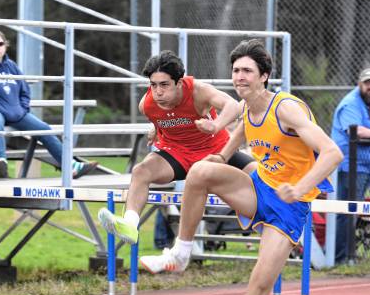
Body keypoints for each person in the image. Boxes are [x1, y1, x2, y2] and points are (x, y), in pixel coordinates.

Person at [139, 39, 343, 295]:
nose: (239, 77)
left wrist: (301, 187)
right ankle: (181, 252)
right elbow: (230, 147)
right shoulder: (248, 110)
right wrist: (211, 154)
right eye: (235, 70)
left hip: (289, 206)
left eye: (247, 71)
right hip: (260, 189)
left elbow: (332, 152)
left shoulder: (288, 109)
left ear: (264, 76)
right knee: (201, 171)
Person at [97, 49, 254, 243]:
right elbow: (162, 119)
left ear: (179, 83)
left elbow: (233, 105)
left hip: (215, 154)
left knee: (258, 174)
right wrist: (156, 130)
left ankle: (289, 228)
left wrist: (215, 125)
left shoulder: (198, 91)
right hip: (178, 156)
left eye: (164, 85)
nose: (158, 92)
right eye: (153, 85)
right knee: (141, 171)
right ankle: (130, 225)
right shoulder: (146, 104)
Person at [0, 29, 97, 178]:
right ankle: (1, 160)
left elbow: (25, 91)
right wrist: (4, 109)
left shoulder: (11, 66)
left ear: (5, 46)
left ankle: (72, 166)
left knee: (44, 129)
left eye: (0, 43)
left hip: (14, 112)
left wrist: (22, 108)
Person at [331, 68, 370, 264]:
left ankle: (348, 255)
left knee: (353, 212)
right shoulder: (351, 103)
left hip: (367, 166)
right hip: (350, 166)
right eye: (367, 83)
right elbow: (354, 130)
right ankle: (340, 257)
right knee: (346, 212)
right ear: (360, 84)